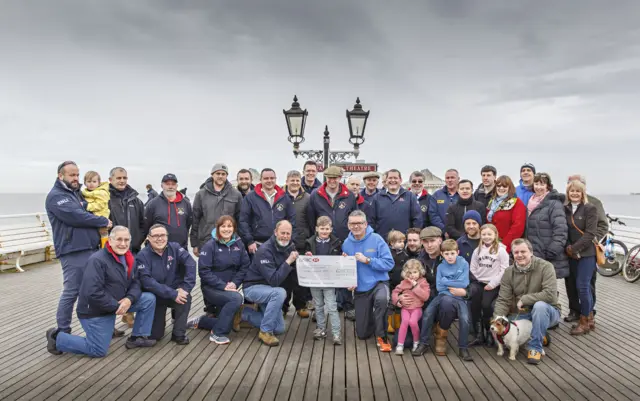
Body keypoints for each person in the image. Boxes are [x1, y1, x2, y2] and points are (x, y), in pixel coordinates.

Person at [46, 226, 157, 357]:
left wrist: (129, 299)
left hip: (117, 303)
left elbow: (136, 282)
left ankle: (137, 337)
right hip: (95, 310)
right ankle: (56, 336)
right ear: (110, 241)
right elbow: (92, 292)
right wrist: (117, 306)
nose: (123, 244)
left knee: (148, 299)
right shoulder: (97, 260)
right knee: (97, 349)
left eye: (126, 240)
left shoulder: (130, 258)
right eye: (119, 239)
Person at [45, 161, 112, 338]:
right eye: (71, 175)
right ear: (61, 176)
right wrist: (102, 221)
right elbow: (76, 216)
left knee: (96, 288)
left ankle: (102, 327)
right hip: (73, 250)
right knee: (72, 291)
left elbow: (88, 209)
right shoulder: (56, 196)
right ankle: (63, 331)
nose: (76, 178)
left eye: (77, 175)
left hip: (91, 248)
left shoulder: (76, 194)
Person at [493, 238, 559, 365]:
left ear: (531, 252)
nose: (519, 255)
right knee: (507, 328)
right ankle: (539, 332)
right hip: (522, 313)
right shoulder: (509, 272)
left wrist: (525, 299)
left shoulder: (546, 267)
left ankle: (535, 347)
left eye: (523, 251)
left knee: (539, 307)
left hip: (548, 311)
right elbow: (503, 299)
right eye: (516, 252)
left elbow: (550, 295)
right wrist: (497, 320)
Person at [306, 165, 357, 320]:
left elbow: (353, 216)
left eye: (335, 178)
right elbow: (310, 218)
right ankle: (321, 308)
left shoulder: (349, 196)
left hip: (343, 239)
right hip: (323, 239)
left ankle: (347, 305)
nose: (332, 181)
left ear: (340, 178)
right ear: (325, 178)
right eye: (330, 178)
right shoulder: (316, 194)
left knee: (344, 271)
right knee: (321, 273)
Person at [189, 215, 249, 344]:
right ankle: (217, 334)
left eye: (229, 226)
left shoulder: (239, 244)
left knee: (226, 321)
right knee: (236, 299)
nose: (226, 229)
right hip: (212, 288)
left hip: (231, 287)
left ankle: (201, 322)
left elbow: (245, 266)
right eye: (223, 226)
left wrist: (234, 283)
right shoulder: (210, 246)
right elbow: (204, 272)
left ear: (234, 228)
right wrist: (223, 286)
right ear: (217, 228)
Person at [342, 210, 394, 351]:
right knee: (363, 334)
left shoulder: (376, 239)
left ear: (365, 224)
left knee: (382, 300)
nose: (356, 226)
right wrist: (349, 282)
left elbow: (389, 263)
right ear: (348, 225)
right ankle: (372, 318)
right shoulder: (346, 244)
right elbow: (346, 270)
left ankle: (382, 335)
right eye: (352, 223)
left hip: (379, 283)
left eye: (359, 223)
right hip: (361, 289)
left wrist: (368, 260)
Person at [136, 224, 196, 345]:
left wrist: (185, 288)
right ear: (148, 238)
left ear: (167, 236)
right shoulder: (142, 256)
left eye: (162, 235)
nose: (159, 239)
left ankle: (178, 334)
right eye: (155, 236)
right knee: (156, 335)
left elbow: (191, 263)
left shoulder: (175, 248)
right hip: (155, 297)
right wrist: (172, 293)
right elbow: (147, 281)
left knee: (185, 297)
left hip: (174, 293)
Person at [241, 220, 298, 346]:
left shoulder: (290, 246)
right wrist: (288, 261)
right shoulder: (265, 250)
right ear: (275, 232)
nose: (285, 236)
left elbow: (293, 270)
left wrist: (306, 258)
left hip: (269, 291)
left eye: (288, 233)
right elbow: (274, 280)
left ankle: (243, 314)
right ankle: (265, 332)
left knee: (279, 328)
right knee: (280, 292)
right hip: (253, 288)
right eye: (282, 233)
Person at [563, 174, 608, 323]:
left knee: (586, 284)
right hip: (570, 251)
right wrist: (568, 247)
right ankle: (574, 310)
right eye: (571, 185)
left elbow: (601, 226)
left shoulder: (593, 204)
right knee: (571, 283)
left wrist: (585, 243)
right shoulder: (565, 204)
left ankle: (588, 313)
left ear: (583, 187)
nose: (574, 190)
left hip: (586, 249)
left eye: (578, 186)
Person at [422, 239, 473, 361]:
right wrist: (454, 283)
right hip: (443, 294)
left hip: (459, 297)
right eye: (446, 254)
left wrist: (446, 281)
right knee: (428, 313)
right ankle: (423, 343)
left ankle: (463, 348)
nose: (449, 257)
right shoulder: (441, 267)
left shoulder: (464, 264)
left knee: (465, 319)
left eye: (452, 253)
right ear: (442, 254)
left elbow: (464, 282)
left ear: (457, 252)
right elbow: (439, 286)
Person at [564, 180, 598, 335]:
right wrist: (568, 248)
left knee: (583, 287)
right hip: (571, 254)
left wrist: (574, 248)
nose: (575, 194)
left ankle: (584, 321)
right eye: (572, 191)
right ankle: (589, 318)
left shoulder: (590, 208)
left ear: (583, 193)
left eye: (578, 191)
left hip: (586, 254)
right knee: (579, 288)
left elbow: (590, 234)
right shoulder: (566, 209)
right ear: (568, 193)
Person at [304, 216, 343, 344]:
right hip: (314, 280)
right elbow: (305, 259)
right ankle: (321, 329)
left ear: (331, 229)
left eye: (327, 229)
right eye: (322, 229)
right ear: (317, 229)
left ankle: (336, 333)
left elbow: (339, 259)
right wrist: (307, 255)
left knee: (332, 306)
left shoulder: (337, 242)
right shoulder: (309, 242)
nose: (324, 231)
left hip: (329, 280)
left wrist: (343, 257)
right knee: (318, 305)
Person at [468, 224, 509, 347]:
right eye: (484, 234)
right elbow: (473, 267)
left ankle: (490, 334)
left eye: (489, 234)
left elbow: (504, 269)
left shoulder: (501, 250)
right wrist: (476, 279)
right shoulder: (478, 250)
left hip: (493, 284)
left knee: (486, 306)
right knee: (474, 305)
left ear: (495, 235)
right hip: (479, 282)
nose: (486, 237)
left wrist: (492, 283)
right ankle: (479, 336)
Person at [239, 168, 296, 255]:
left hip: (280, 244)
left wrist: (289, 240)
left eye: (272, 178)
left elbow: (292, 221)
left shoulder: (284, 197)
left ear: (275, 179)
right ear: (260, 180)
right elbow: (243, 221)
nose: (269, 181)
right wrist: (250, 241)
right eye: (266, 178)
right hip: (257, 244)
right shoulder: (250, 198)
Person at [191, 163, 243, 256]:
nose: (220, 176)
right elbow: (195, 219)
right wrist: (194, 244)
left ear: (226, 176)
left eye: (223, 174)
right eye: (218, 173)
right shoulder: (201, 194)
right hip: (206, 241)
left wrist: (239, 240)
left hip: (229, 241)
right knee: (205, 269)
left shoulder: (236, 195)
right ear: (212, 174)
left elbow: (240, 219)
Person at [525, 173, 569, 279]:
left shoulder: (554, 204)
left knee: (548, 289)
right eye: (536, 184)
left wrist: (552, 251)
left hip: (548, 255)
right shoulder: (529, 202)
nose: (538, 187)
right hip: (533, 253)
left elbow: (560, 230)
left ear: (548, 186)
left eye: (542, 184)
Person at [283, 170, 312, 318]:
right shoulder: (281, 197)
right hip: (284, 243)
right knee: (285, 276)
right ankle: (283, 306)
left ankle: (300, 305)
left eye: (296, 180)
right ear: (287, 181)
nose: (294, 183)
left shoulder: (308, 198)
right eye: (292, 180)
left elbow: (311, 219)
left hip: (302, 242)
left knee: (300, 277)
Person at [369, 169, 422, 240]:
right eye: (390, 178)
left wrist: (412, 238)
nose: (393, 180)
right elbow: (371, 220)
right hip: (382, 241)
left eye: (395, 178)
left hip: (404, 242)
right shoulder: (377, 197)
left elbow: (417, 219)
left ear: (400, 180)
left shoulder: (410, 196)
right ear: (386, 180)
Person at [392, 259, 430, 355]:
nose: (412, 275)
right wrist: (397, 301)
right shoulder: (404, 282)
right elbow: (395, 292)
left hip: (417, 308)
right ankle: (400, 345)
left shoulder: (423, 282)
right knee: (404, 322)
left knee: (412, 322)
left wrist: (415, 286)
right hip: (405, 309)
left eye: (415, 272)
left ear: (420, 272)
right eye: (409, 272)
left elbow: (425, 297)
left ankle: (416, 343)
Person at [145, 173, 193, 250]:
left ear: (177, 186)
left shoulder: (186, 203)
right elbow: (146, 226)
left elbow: (188, 223)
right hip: (159, 249)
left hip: (181, 249)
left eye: (173, 184)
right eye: (167, 184)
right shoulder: (153, 204)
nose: (170, 187)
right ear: (162, 186)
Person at [108, 167, 145, 254]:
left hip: (133, 250)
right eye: (118, 178)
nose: (122, 180)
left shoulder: (136, 201)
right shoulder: (104, 199)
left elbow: (144, 224)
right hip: (111, 251)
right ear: (110, 179)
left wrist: (137, 241)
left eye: (124, 178)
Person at [486, 175, 526, 254]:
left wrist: (504, 245)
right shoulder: (492, 202)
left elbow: (517, 227)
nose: (501, 188)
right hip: (491, 244)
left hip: (506, 247)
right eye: (499, 186)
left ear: (509, 188)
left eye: (504, 186)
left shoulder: (516, 203)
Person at [81, 171, 111, 248]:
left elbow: (100, 205)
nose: (91, 184)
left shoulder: (101, 192)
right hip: (92, 218)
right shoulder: (85, 193)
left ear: (98, 183)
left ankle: (105, 248)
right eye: (89, 181)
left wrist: (86, 205)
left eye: (94, 181)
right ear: (85, 182)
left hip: (101, 216)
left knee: (103, 233)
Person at [387, 230, 409, 333]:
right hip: (390, 283)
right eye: (399, 241)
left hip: (401, 283)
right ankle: (389, 324)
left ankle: (397, 322)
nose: (402, 243)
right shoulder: (388, 254)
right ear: (392, 243)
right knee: (390, 303)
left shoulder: (405, 254)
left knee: (399, 303)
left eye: (403, 241)